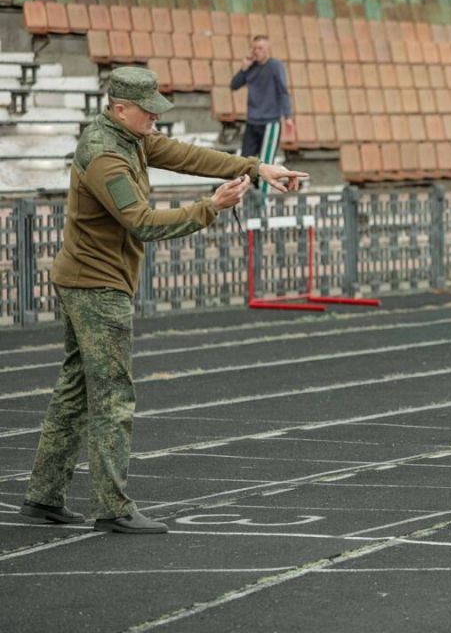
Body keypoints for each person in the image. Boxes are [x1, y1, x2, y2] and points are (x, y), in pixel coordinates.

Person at [19, 67, 308, 534]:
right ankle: (112, 507)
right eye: (148, 110)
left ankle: (42, 496)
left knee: (75, 391)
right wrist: (210, 209)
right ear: (120, 109)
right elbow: (143, 222)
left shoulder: (127, 137)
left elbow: (185, 153)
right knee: (112, 396)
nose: (156, 118)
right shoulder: (105, 156)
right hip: (97, 286)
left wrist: (254, 166)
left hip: (87, 280)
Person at [230, 35, 294, 196]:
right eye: (255, 48)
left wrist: (287, 116)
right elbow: (234, 85)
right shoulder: (250, 67)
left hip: (270, 123)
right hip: (252, 122)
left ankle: (263, 201)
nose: (257, 52)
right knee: (245, 162)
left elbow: (283, 91)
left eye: (260, 48)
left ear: (268, 50)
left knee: (266, 163)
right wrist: (243, 69)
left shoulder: (275, 66)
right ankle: (242, 197)